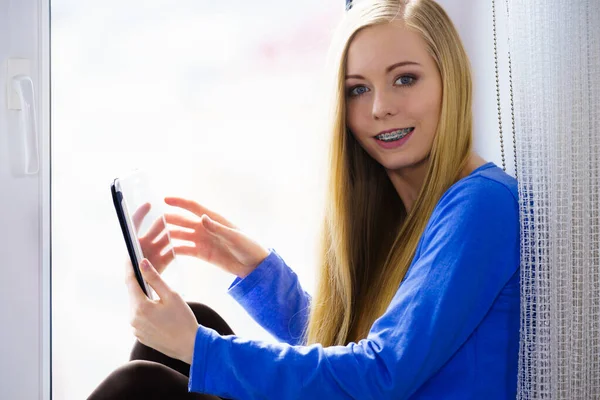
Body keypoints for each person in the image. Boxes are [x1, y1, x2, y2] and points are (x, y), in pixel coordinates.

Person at [88, 0, 520, 398]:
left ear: (452, 80)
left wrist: (200, 350)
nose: (380, 107)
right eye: (358, 89)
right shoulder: (412, 210)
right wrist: (259, 274)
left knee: (141, 383)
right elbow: (343, 349)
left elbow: (379, 376)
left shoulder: (482, 206)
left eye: (405, 79)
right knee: (172, 337)